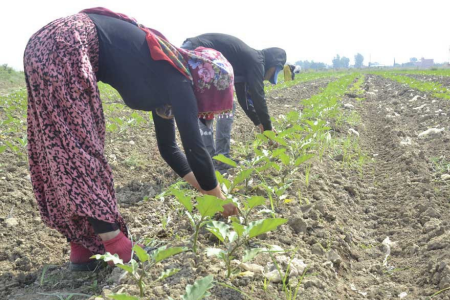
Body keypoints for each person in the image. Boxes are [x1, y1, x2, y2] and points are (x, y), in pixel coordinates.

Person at [24, 7, 237, 271]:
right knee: (81, 149)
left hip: (43, 43)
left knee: (58, 148)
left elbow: (169, 149)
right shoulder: (180, 78)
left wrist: (206, 192)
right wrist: (219, 198)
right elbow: (194, 148)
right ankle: (116, 244)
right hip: (66, 42)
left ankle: (82, 246)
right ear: (207, 82)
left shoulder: (165, 72)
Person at [181, 34, 286, 171]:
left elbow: (244, 100)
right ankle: (217, 159)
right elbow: (258, 97)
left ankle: (212, 159)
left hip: (193, 51)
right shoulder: (257, 61)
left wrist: (259, 123)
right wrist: (268, 129)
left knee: (212, 104)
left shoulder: (244, 63)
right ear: (273, 63)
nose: (271, 76)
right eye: (275, 71)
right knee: (224, 105)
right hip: (197, 53)